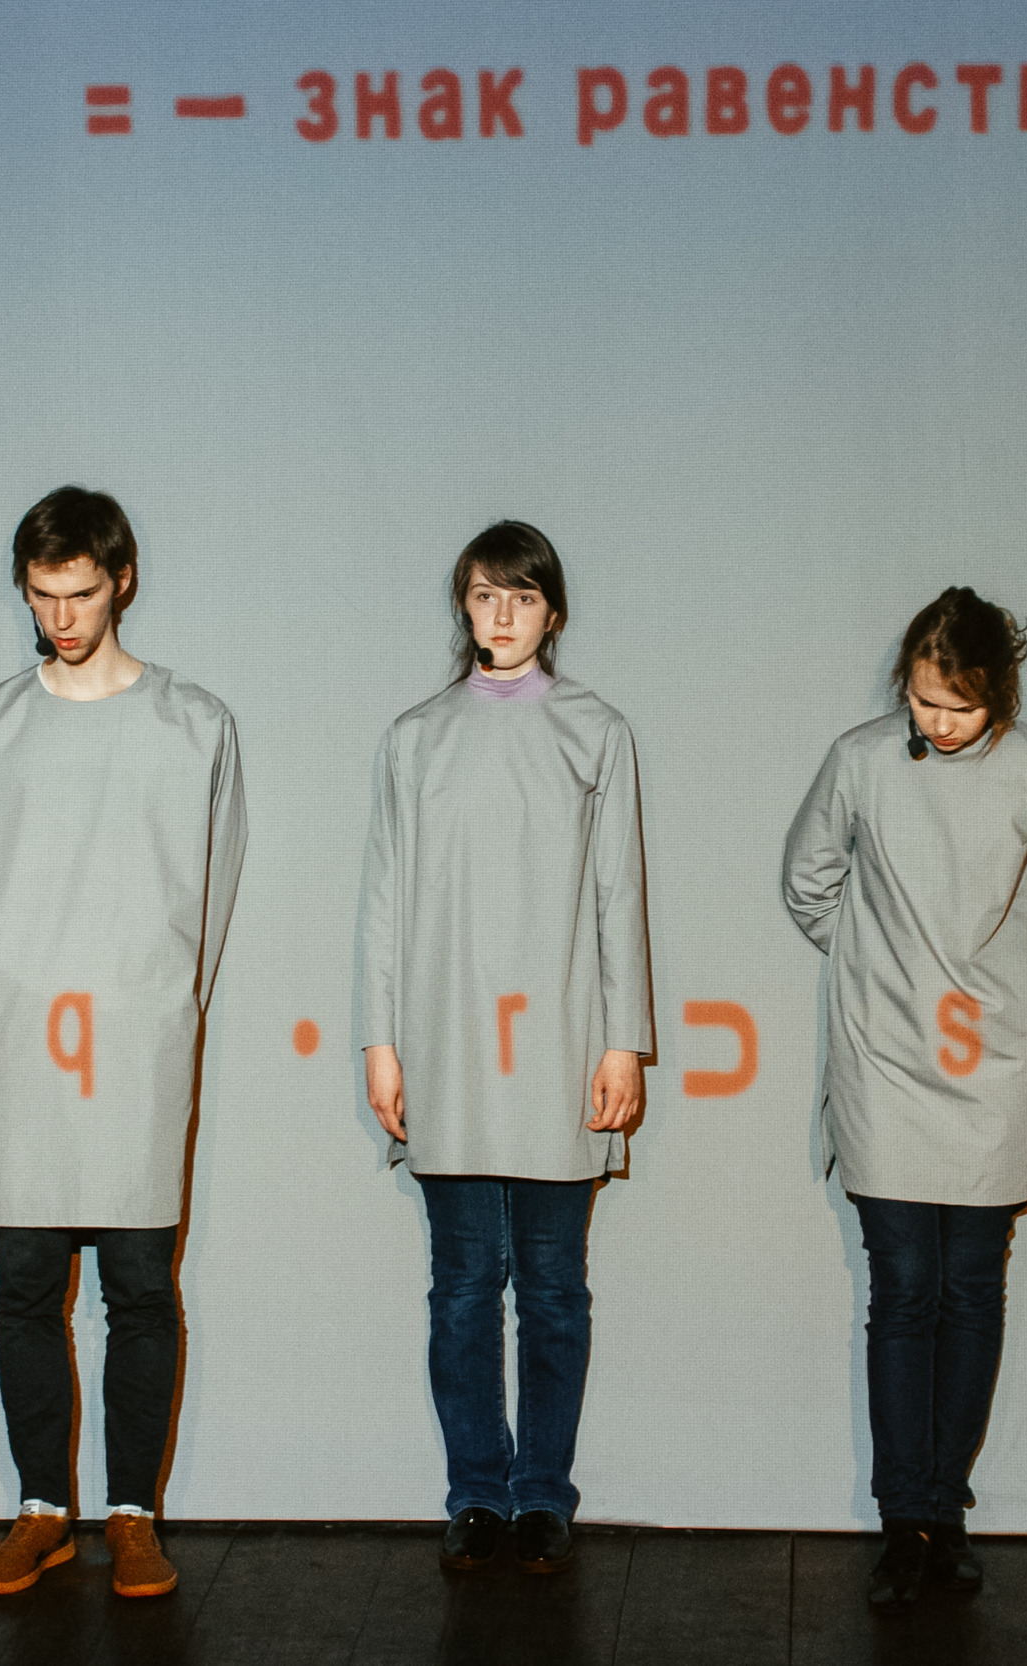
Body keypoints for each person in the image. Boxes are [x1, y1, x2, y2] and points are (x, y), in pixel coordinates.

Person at [0, 486, 246, 1598]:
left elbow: (212, 890)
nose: (61, 617)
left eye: (79, 593)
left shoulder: (193, 722)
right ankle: (40, 1509)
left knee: (139, 1286)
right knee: (25, 1287)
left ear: (121, 580)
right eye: (41, 594)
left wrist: (160, 1006)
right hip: (26, 1039)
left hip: (137, 1035)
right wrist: (15, 997)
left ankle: (132, 1514)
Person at [782, 587, 1027, 1608]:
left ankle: (944, 1513)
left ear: (997, 693)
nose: (941, 722)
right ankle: (902, 1517)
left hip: (993, 1073)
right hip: (885, 1065)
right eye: (925, 702)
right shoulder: (860, 760)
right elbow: (807, 881)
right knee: (902, 1288)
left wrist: (996, 987)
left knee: (970, 1287)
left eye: (960, 707)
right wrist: (878, 972)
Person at [358, 521, 651, 1575]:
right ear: (464, 606)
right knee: (464, 1288)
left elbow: (619, 894)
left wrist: (623, 1043)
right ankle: (477, 1492)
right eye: (486, 596)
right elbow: (384, 898)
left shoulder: (595, 731)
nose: (504, 615)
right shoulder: (416, 737)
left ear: (552, 612)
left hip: (564, 1043)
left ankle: (542, 1495)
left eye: (523, 598)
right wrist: (380, 1040)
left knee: (555, 1289)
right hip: (446, 1041)